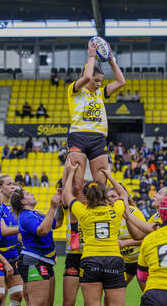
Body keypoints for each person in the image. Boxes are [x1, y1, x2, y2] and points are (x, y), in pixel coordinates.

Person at [64, 39, 125, 250]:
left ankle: (98, 225)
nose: (98, 84)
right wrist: (91, 55)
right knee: (77, 186)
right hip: (79, 136)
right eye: (97, 81)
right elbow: (87, 76)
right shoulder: (74, 90)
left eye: (100, 81)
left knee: (101, 187)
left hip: (98, 138)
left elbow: (121, 81)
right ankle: (74, 229)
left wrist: (110, 59)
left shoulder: (100, 93)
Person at [63, 159, 127, 306]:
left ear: (86, 196)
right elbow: (123, 194)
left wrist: (71, 173)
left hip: (91, 260)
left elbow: (67, 194)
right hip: (113, 259)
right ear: (104, 194)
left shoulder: (83, 212)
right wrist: (110, 176)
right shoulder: (115, 210)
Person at [10, 189, 62, 306]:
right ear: (23, 201)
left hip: (46, 261)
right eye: (28, 194)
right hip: (34, 260)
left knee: (48, 303)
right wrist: (52, 207)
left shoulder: (36, 214)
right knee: (39, 303)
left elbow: (57, 223)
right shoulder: (25, 216)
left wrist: (61, 205)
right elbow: (42, 231)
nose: (32, 194)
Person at [103, 169, 146, 291]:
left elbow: (147, 239)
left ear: (122, 198)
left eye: (113, 196)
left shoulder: (134, 212)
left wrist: (125, 243)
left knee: (148, 294)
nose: (110, 199)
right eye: (108, 197)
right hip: (122, 262)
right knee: (113, 293)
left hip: (140, 260)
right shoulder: (108, 215)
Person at [0, 176, 23, 306]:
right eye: (9, 184)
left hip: (13, 255)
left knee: (18, 295)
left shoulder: (16, 208)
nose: (13, 187)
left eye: (13, 184)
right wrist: (28, 227)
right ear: (0, 188)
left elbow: (19, 236)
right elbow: (3, 231)